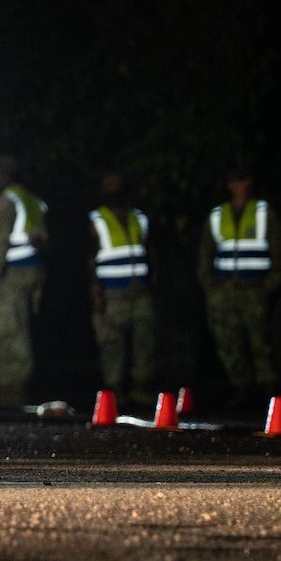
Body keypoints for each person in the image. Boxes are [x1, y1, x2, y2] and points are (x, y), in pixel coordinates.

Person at [199, 168, 281, 408]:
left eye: (246, 179)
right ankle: (241, 388)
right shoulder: (217, 215)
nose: (241, 185)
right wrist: (212, 289)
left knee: (262, 339)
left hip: (255, 289)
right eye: (236, 180)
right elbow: (205, 255)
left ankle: (270, 389)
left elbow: (280, 254)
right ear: (229, 184)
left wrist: (268, 287)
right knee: (228, 341)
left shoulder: (263, 212)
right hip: (224, 290)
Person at [0, 153, 47, 406]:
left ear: (3, 175)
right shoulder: (31, 200)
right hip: (32, 272)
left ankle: (12, 386)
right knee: (22, 327)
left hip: (12, 274)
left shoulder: (7, 201)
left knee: (10, 329)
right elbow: (42, 239)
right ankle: (18, 384)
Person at [86, 173, 154, 408]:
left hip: (140, 290)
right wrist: (97, 295)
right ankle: (115, 392)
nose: (114, 189)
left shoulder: (139, 218)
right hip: (111, 292)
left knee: (144, 340)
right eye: (108, 184)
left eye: (118, 184)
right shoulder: (96, 220)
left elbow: (149, 253)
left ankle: (141, 389)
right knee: (112, 343)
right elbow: (90, 260)